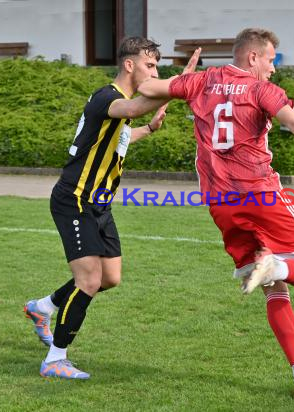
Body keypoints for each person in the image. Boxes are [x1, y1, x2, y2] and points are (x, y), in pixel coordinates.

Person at [138, 28, 294, 397]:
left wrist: (169, 78)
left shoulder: (202, 81)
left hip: (220, 203)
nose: (273, 69)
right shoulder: (261, 90)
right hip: (259, 194)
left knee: (273, 289)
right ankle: (277, 264)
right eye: (270, 60)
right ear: (253, 58)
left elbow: (147, 91)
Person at [23, 37, 200, 379]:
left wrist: (149, 129)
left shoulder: (119, 106)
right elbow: (133, 110)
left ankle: (43, 307)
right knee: (88, 280)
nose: (155, 72)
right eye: (150, 66)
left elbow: (121, 136)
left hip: (100, 205)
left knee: (110, 278)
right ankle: (55, 359)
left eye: (157, 67)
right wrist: (179, 86)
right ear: (129, 65)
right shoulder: (110, 97)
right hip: (75, 199)